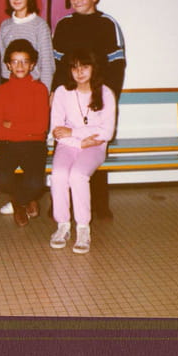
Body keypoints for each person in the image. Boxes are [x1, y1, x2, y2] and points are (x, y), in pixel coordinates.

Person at [52, 0, 126, 219]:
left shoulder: (107, 24)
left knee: (94, 146)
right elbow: (58, 64)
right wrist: (55, 92)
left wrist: (106, 96)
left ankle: (99, 205)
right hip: (70, 96)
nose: (77, 1)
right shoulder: (64, 25)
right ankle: (60, 206)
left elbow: (117, 65)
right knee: (65, 145)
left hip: (97, 97)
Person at [49, 49, 116, 254]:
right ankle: (62, 225)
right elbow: (57, 130)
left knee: (78, 175)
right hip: (68, 145)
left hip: (95, 146)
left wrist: (74, 132)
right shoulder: (62, 92)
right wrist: (78, 141)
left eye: (84, 67)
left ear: (94, 68)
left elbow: (106, 132)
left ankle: (83, 229)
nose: (79, 72)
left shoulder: (105, 93)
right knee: (59, 174)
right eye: (75, 67)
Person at [0, 40, 49, 227]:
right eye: (15, 61)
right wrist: (24, 128)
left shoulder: (40, 90)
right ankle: (24, 200)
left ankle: (19, 202)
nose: (20, 66)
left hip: (34, 145)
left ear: (32, 64)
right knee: (1, 178)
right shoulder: (0, 91)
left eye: (25, 61)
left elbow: (40, 127)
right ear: (8, 65)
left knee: (36, 183)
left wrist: (11, 126)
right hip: (8, 146)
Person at [0, 0, 55, 90]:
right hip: (12, 88)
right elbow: (4, 63)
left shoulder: (40, 26)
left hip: (35, 87)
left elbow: (47, 65)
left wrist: (45, 92)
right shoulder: (5, 26)